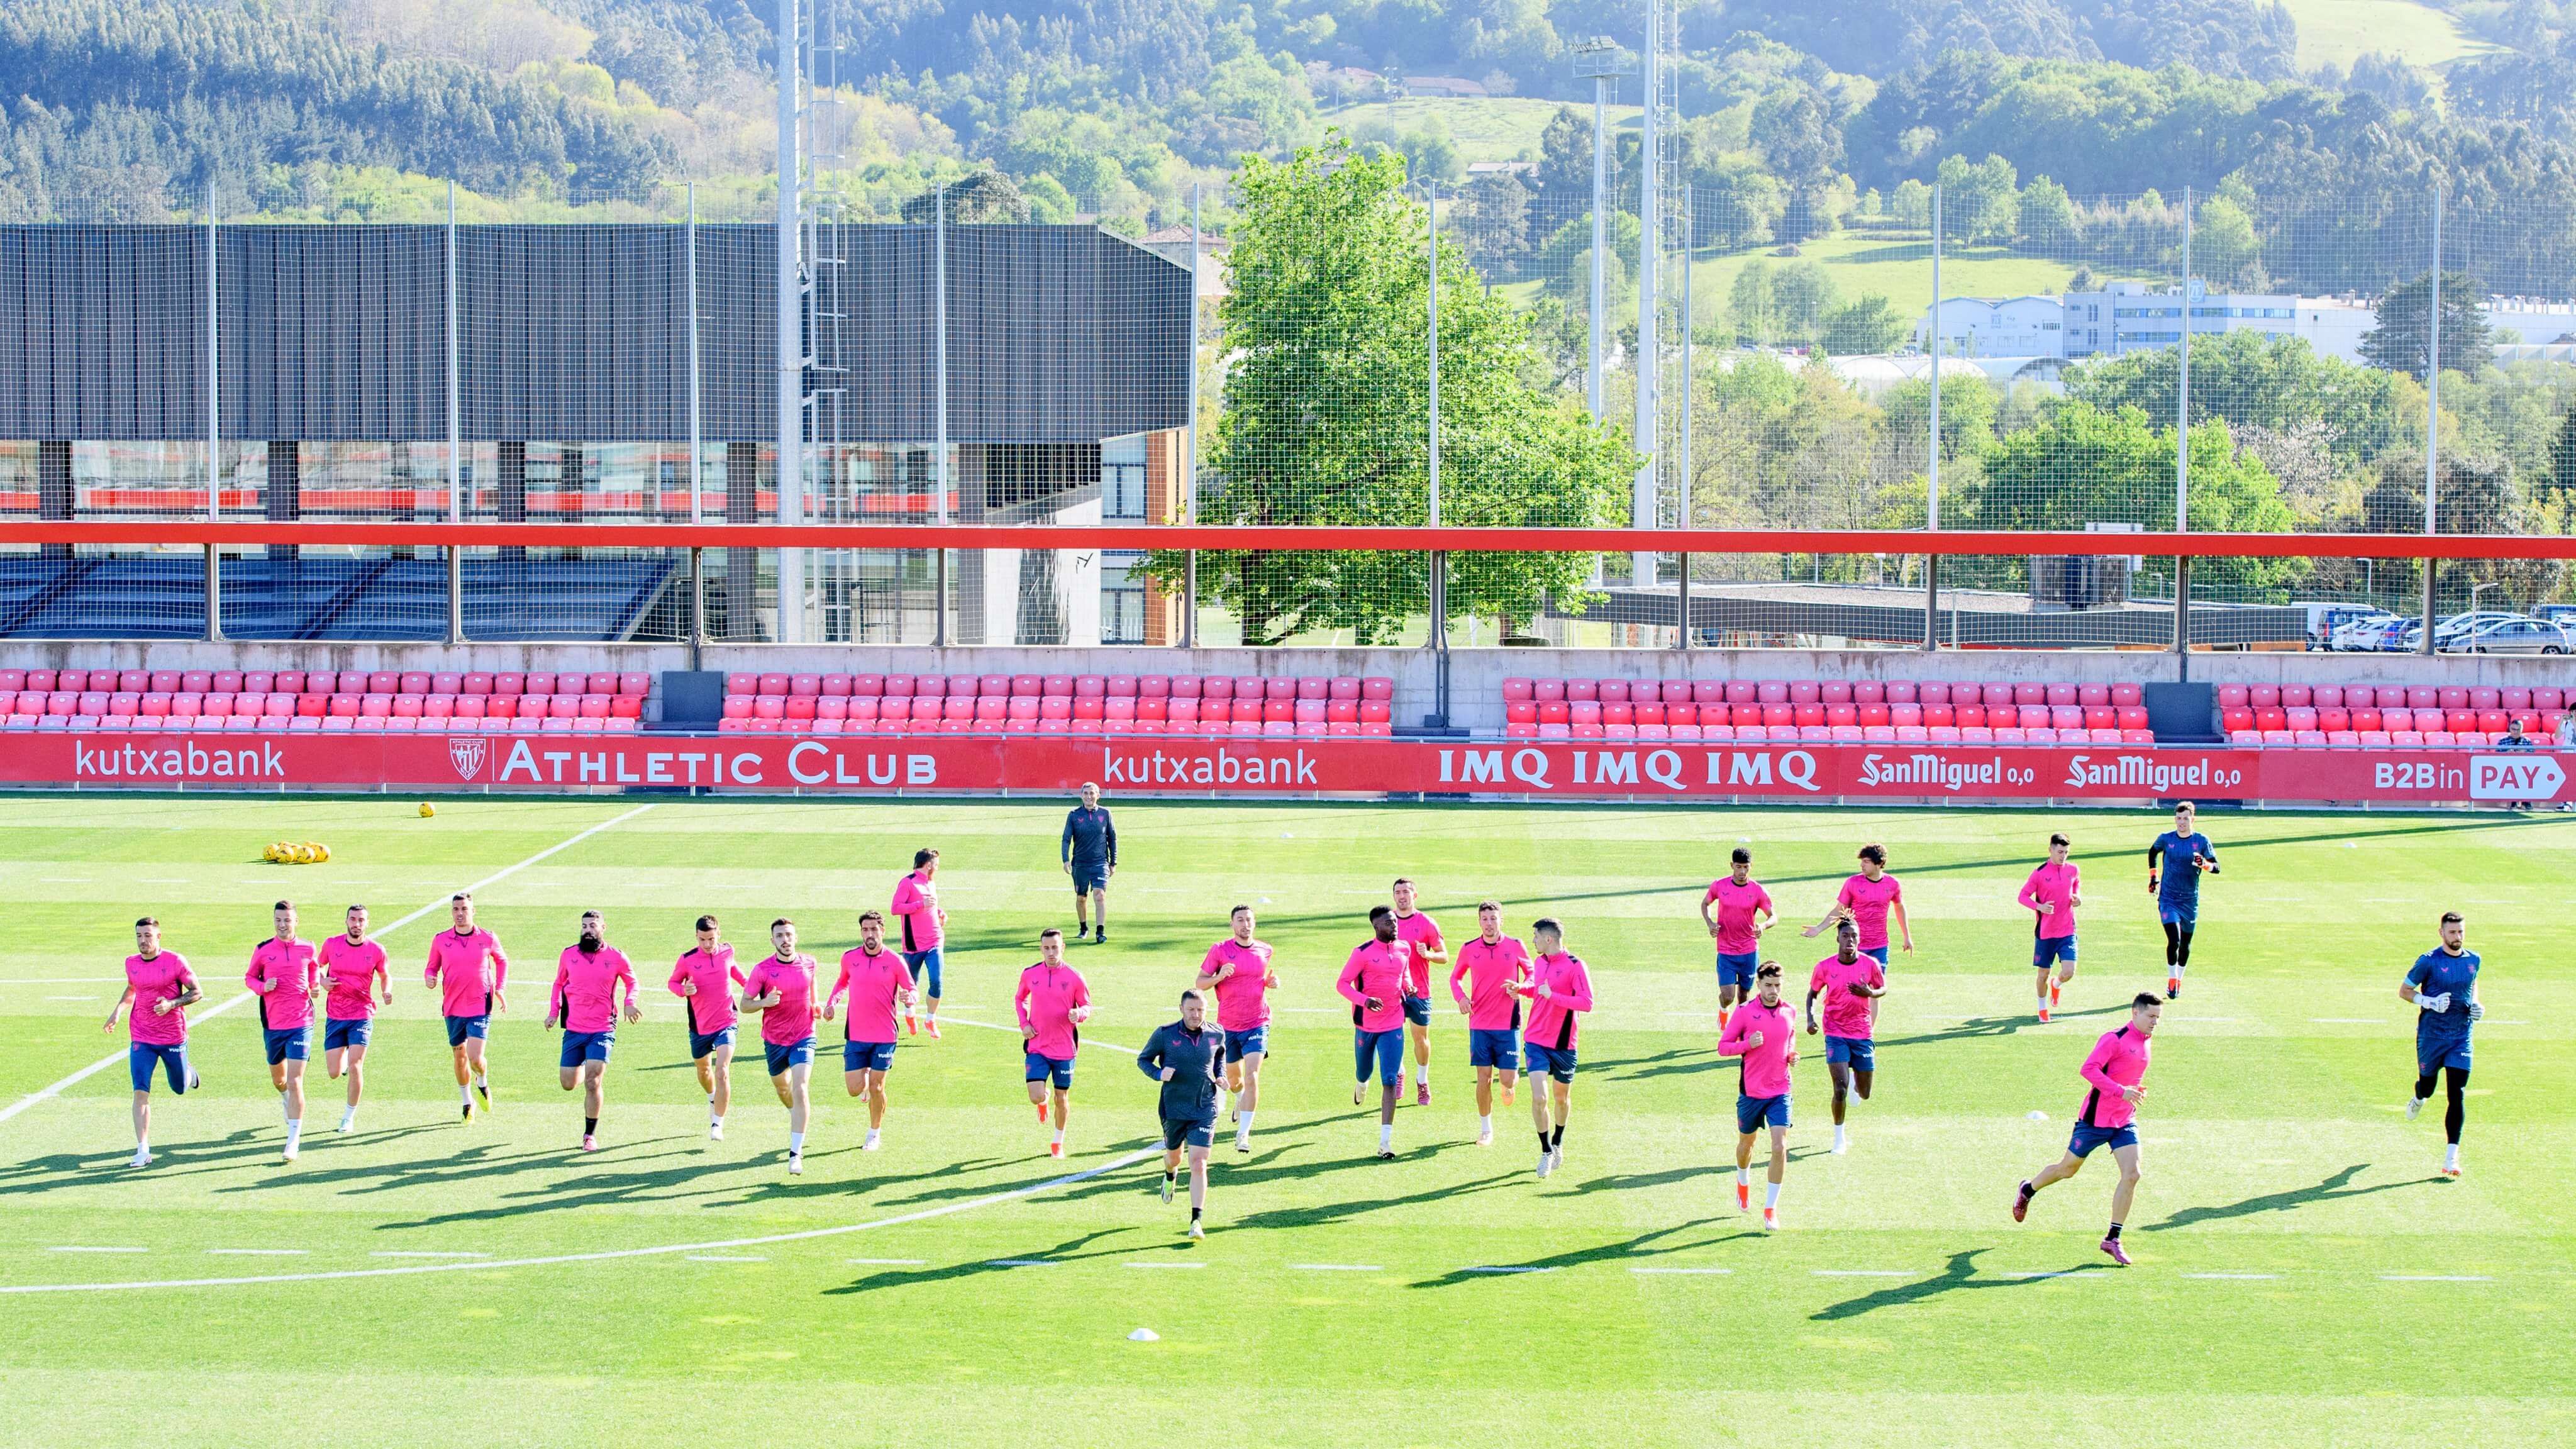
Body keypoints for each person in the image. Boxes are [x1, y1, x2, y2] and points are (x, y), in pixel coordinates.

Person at [2011, 991, 2161, 1267]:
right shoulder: (2114, 1039)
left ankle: (2112, 1239)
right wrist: (2121, 1091)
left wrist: (2135, 1091)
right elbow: (2089, 1069)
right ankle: (2027, 1190)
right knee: (2067, 1170)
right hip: (2095, 1120)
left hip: (2124, 1120)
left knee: (2133, 1174)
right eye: (2151, 1016)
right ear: (2135, 1013)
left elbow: (2127, 1074)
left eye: (2158, 1017)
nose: (2155, 1022)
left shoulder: (2146, 1041)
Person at [104, 917, 200, 1169]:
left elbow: (197, 992)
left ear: (158, 937)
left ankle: (189, 1074)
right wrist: (118, 1012)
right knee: (140, 1092)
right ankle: (143, 1150)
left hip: (172, 1036)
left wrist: (171, 1004)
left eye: (148, 936)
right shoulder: (131, 963)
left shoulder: (175, 961)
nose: (143, 941)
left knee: (179, 1087)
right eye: (139, 936)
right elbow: (131, 989)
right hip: (142, 1036)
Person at [545, 910, 640, 1153]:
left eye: (593, 926)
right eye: (585, 926)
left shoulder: (616, 957)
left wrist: (630, 1002)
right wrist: (554, 1012)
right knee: (568, 1083)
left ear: (603, 928)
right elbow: (558, 983)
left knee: (593, 1080)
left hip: (603, 1028)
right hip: (575, 1028)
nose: (588, 930)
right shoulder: (569, 955)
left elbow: (632, 982)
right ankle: (582, 1069)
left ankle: (589, 1135)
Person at [1136, 989, 1224, 1238]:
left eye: (1201, 1010)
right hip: (1173, 1107)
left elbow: (1219, 1058)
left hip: (1204, 1107)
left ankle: (1196, 1221)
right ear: (1181, 1009)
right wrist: (1158, 1074)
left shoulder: (1216, 1033)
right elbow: (1143, 1060)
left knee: (1199, 1162)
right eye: (1191, 1010)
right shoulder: (1165, 1034)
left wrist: (1221, 1076)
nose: (1196, 1015)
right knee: (1174, 1159)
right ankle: (1169, 1174)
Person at [1717, 962, 1797, 1231]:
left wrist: (1792, 1054)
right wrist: (1747, 1045)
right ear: (1759, 985)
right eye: (1769, 985)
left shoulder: (1790, 1011)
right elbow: (1723, 1047)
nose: (1774, 991)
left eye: (1778, 985)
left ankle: (1771, 1209)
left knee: (1780, 1147)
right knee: (1746, 1145)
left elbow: (1790, 1037)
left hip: (1780, 1090)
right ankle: (1743, 1181)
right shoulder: (1744, 1012)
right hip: (1751, 1092)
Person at [2401, 912, 2482, 1179]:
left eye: (2461, 932)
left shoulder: (2474, 959)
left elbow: (2472, 983)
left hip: (2461, 1036)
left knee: (2457, 1093)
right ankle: (2419, 1097)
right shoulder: (2429, 961)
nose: (2458, 937)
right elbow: (2405, 991)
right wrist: (2428, 1002)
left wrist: (2476, 1005)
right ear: (2441, 933)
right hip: (2432, 1036)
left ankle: (2451, 1158)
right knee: (2428, 1087)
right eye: (2452, 932)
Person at [826, 910, 914, 1152]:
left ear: (882, 931)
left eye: (874, 929)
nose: (870, 934)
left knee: (877, 1087)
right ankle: (865, 1085)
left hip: (885, 1036)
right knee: (855, 1089)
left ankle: (874, 1133)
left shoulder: (895, 961)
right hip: (856, 1034)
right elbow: (842, 982)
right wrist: (832, 1003)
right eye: (865, 930)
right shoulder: (850, 958)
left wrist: (910, 997)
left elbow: (911, 988)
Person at [1513, 918, 1593, 1179]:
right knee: (1540, 1098)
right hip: (1536, 1040)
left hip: (1563, 1044)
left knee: (1561, 1099)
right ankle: (1546, 1150)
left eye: (1536, 936)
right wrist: (1522, 989)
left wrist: (1553, 997)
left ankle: (1558, 1141)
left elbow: (1587, 1003)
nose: (1533, 941)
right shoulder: (1539, 963)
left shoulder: (1576, 966)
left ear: (1549, 939)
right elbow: (1538, 991)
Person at [738, 919, 820, 1174]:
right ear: (772, 940)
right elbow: (744, 1005)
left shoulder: (809, 963)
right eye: (780, 936)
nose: (785, 940)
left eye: (789, 935)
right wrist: (764, 1003)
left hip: (804, 1036)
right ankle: (796, 1114)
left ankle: (796, 1153)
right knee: (783, 1087)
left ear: (796, 937)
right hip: (774, 1040)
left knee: (801, 1087)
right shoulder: (762, 970)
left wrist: (817, 1007)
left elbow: (812, 992)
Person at [1194, 905, 1277, 1152]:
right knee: (1234, 1080)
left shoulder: (1265, 950)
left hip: (1258, 1022)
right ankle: (1239, 1098)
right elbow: (1200, 983)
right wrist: (1220, 976)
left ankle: (1243, 1134)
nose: (1245, 924)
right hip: (1228, 1026)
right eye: (1240, 920)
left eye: (1249, 920)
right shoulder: (1220, 950)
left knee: (1252, 1076)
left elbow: (1260, 978)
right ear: (1232, 924)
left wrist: (1271, 982)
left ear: (1255, 922)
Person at [245, 899, 322, 1162]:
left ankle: (293, 1140)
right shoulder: (263, 950)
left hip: (302, 1022)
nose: (282, 925)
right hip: (274, 1024)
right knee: (280, 1081)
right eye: (278, 920)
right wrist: (262, 987)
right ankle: (286, 1098)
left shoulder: (308, 947)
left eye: (287, 920)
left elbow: (314, 969)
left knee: (295, 1080)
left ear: (296, 921)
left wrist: (314, 986)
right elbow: (249, 977)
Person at [1450, 902, 1531, 1147]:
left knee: (1507, 1080)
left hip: (1508, 1023)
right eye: (1484, 919)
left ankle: (1509, 1085)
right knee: (1483, 1077)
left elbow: (1532, 974)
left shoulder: (1515, 946)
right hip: (1480, 1024)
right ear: (1479, 922)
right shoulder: (1469, 948)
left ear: (1501, 920)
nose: (1489, 924)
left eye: (1493, 918)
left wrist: (1522, 988)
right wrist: (1461, 998)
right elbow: (1455, 977)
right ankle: (1486, 1129)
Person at [423, 892, 509, 1120]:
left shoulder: (487, 938)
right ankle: (467, 1101)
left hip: (480, 1004)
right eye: (456, 909)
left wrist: (500, 988)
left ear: (473, 911)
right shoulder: (441, 940)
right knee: (460, 1056)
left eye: (464, 909)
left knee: (475, 1058)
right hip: (453, 1007)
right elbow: (431, 967)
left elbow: (502, 961)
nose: (460, 913)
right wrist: (430, 977)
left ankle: (482, 1082)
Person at [1804, 919, 1886, 1155]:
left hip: (1862, 1032)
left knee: (1865, 1093)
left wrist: (1870, 993)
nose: (1850, 940)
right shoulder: (1825, 967)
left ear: (1859, 939)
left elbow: (1883, 988)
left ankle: (1855, 1082)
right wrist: (1810, 1018)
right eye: (1845, 936)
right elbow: (1813, 993)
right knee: (1839, 1088)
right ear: (1838, 939)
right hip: (1835, 1031)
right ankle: (1839, 1139)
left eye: (1854, 936)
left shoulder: (1870, 964)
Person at [1338, 906, 1411, 1158]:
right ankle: (1361, 1084)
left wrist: (1408, 986)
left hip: (1394, 1022)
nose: (1394, 925)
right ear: (1376, 926)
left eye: (1395, 921)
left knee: (1390, 1079)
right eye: (1388, 923)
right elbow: (1342, 984)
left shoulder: (1404, 948)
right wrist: (1364, 1000)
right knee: (1364, 1071)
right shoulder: (1362, 953)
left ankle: (1385, 1142)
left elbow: (1404, 974)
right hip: (1366, 1025)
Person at [667, 916, 747, 1140]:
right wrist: (683, 990)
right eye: (702, 939)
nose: (707, 944)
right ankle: (712, 1097)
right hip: (700, 1027)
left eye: (711, 939)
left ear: (718, 934)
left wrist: (754, 988)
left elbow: (737, 973)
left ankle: (717, 1124)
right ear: (696, 936)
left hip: (726, 1022)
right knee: (704, 1071)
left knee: (722, 1071)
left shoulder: (727, 952)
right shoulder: (687, 960)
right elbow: (673, 983)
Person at [1014, 928, 1091, 1159]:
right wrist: (1024, 1023)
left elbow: (1087, 1006)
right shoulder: (1030, 974)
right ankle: (1043, 1101)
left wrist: (1079, 1014)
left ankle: (1058, 1142)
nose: (1051, 953)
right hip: (1037, 1045)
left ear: (1063, 948)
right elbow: (1020, 998)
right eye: (1046, 948)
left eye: (1055, 948)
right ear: (1041, 949)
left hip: (1064, 1049)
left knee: (1062, 1098)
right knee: (1035, 1096)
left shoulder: (1075, 977)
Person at [318, 904, 389, 1135]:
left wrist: (387, 991)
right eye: (353, 919)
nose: (357, 924)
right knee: (334, 1072)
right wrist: (322, 981)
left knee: (356, 1065)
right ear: (346, 921)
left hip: (362, 1014)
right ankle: (346, 1059)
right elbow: (317, 967)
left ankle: (348, 1118)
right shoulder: (332, 944)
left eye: (361, 920)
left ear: (367, 923)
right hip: (336, 1014)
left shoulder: (376, 950)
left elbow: (385, 975)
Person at [2146, 802, 2219, 999]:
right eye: (2179, 818)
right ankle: (2172, 979)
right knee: (2175, 940)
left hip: (2190, 901)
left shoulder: (2202, 841)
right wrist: (2153, 877)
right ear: (2175, 819)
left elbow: (2217, 867)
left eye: (2186, 819)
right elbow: (2153, 851)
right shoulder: (2166, 838)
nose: (2182, 822)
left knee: (2186, 944)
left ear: (2192, 820)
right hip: (2168, 898)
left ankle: (2179, 979)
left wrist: (2204, 864)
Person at [1701, 848, 1774, 1030]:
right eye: (1739, 867)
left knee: (1744, 997)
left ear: (1751, 866)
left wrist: (1763, 926)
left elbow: (1773, 916)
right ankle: (1723, 1009)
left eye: (1746, 867)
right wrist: (1710, 923)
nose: (1742, 872)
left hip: (1749, 950)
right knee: (1728, 996)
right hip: (1726, 950)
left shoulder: (1757, 890)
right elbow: (1706, 903)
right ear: (1732, 865)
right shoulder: (1719, 886)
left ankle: (1741, 1030)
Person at [1806, 844, 1911, 969]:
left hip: (1880, 945)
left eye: (1866, 862)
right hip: (1854, 945)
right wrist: (1819, 928)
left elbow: (1899, 907)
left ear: (1879, 863)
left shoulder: (1893, 884)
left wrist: (1907, 937)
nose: (1862, 865)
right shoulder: (1853, 883)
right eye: (1862, 861)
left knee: (1878, 981)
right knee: (1853, 980)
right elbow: (1839, 910)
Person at [1390, 878, 1446, 1105]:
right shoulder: (1388, 921)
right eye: (1398, 892)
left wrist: (1428, 954)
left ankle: (1422, 1081)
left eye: (1406, 892)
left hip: (1419, 991)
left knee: (1420, 1039)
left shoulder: (1427, 923)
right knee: (1392, 1036)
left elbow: (1444, 955)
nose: (1402, 896)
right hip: (1392, 990)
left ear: (1415, 895)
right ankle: (1399, 1072)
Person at [2018, 833, 2082, 1021]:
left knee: (2069, 972)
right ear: (2051, 850)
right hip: (2046, 933)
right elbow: (2022, 896)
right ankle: (2042, 1008)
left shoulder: (2073, 870)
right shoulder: (2039, 873)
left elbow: (2076, 885)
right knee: (2043, 974)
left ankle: (2057, 984)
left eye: (2067, 852)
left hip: (2067, 931)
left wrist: (2077, 897)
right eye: (2060, 852)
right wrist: (2040, 907)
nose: (2064, 856)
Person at [891, 849, 947, 1038]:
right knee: (910, 985)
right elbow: (896, 908)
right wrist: (920, 905)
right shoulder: (908, 883)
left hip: (935, 941)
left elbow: (931, 905)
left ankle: (930, 1019)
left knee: (937, 981)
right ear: (928, 865)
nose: (938, 868)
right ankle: (910, 1014)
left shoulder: (931, 883)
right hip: (913, 946)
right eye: (936, 865)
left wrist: (939, 912)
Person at [1062, 782, 1118, 943]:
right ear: (1081, 796)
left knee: (1099, 896)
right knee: (1081, 898)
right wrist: (1065, 859)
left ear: (1098, 795)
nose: (1089, 797)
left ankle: (1100, 932)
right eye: (1086, 793)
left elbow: (1112, 838)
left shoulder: (1106, 814)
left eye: (1092, 793)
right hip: (1080, 864)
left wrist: (1113, 862)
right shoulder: (1074, 815)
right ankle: (1084, 928)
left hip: (1100, 863)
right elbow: (1066, 839)